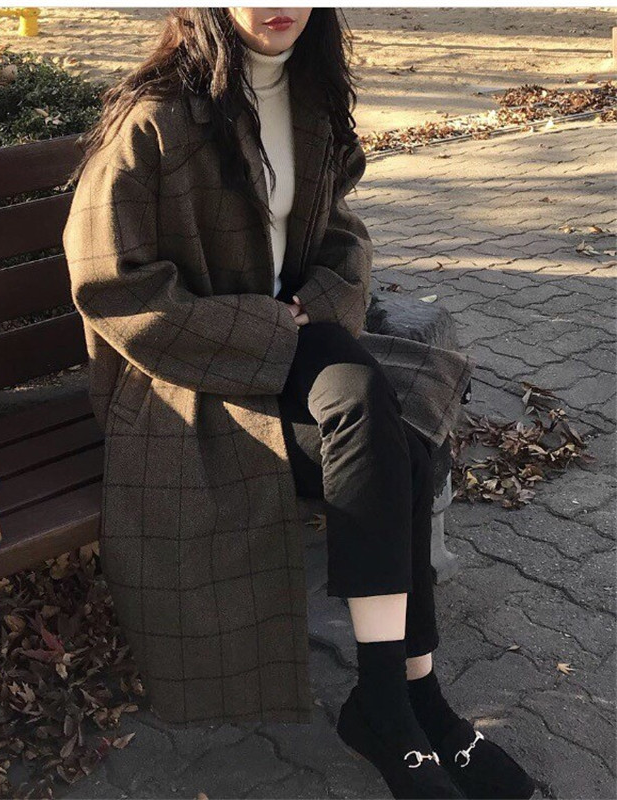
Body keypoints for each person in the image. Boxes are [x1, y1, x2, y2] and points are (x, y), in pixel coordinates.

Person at [63, 8, 535, 799]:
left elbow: (342, 235)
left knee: (391, 428)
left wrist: (315, 307)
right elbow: (112, 286)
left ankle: (405, 701)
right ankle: (405, 705)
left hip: (293, 341)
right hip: (188, 377)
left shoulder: (310, 98)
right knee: (376, 412)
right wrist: (267, 325)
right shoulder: (156, 122)